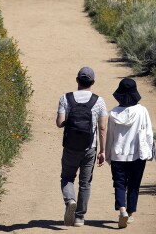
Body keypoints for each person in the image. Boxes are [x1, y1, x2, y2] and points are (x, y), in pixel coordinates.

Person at [56, 67, 108, 227]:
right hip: (89, 147)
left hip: (70, 146)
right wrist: (102, 151)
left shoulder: (66, 98)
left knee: (67, 177)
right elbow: (102, 128)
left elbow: (59, 123)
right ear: (92, 82)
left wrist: (69, 122)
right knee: (85, 183)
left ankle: (70, 200)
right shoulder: (98, 101)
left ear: (77, 80)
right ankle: (79, 217)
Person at [106, 78, 154, 229]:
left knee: (119, 183)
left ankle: (122, 211)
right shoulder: (142, 111)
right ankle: (131, 213)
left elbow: (110, 136)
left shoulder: (113, 113)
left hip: (118, 155)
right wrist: (150, 151)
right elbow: (148, 133)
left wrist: (107, 154)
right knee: (134, 184)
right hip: (137, 154)